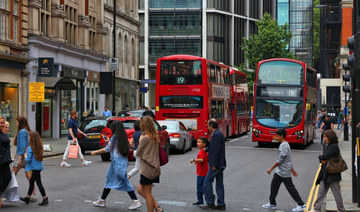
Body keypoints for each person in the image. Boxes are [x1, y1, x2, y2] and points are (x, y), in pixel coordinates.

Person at [90, 121, 142, 210]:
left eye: (111, 128)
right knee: (109, 181)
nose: (110, 129)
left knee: (124, 182)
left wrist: (95, 152)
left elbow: (107, 149)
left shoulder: (115, 137)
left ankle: (136, 201)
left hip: (117, 164)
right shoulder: (123, 136)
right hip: (119, 163)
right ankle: (102, 200)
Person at [262, 128, 306, 212]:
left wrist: (270, 169)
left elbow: (280, 160)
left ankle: (301, 204)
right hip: (280, 171)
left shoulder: (284, 145)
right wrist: (293, 170)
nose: (275, 137)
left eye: (277, 135)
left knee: (290, 188)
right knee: (274, 187)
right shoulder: (283, 144)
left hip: (284, 172)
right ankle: (272, 203)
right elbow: (288, 160)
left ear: (281, 136)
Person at [310, 130, 345, 212]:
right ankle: (316, 208)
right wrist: (322, 158)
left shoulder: (333, 147)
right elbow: (323, 158)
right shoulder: (328, 145)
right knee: (321, 193)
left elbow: (324, 157)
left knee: (337, 194)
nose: (324, 138)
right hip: (325, 173)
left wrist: (322, 158)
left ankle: (341, 209)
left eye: (325, 137)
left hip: (333, 174)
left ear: (330, 137)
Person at [136, 116, 162, 212]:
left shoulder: (144, 138)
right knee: (141, 190)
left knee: (147, 193)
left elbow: (138, 153)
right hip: (155, 167)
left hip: (147, 168)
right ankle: (157, 208)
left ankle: (152, 210)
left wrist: (139, 141)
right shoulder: (155, 136)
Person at [201, 120, 226, 210]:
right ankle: (221, 203)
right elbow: (214, 148)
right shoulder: (218, 133)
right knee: (219, 184)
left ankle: (210, 202)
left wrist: (213, 165)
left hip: (216, 164)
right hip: (221, 163)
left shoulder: (216, 135)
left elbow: (215, 151)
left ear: (211, 125)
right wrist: (207, 149)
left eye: (208, 125)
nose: (207, 127)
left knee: (206, 182)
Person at [20, 131, 48, 206]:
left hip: (34, 168)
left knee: (38, 183)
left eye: (29, 137)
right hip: (38, 167)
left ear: (31, 139)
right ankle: (27, 198)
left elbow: (28, 159)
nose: (28, 138)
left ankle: (45, 198)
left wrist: (25, 155)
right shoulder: (39, 146)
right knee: (32, 182)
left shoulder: (30, 148)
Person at [190, 137, 208, 206]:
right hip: (201, 172)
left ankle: (204, 201)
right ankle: (200, 200)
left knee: (201, 188)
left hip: (202, 173)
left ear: (204, 144)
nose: (198, 143)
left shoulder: (203, 151)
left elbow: (202, 160)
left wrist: (194, 160)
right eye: (197, 142)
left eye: (200, 142)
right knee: (200, 188)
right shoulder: (203, 150)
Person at [0, 116, 12, 208]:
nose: (2, 124)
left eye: (3, 122)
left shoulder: (3, 133)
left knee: (7, 178)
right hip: (1, 161)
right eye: (1, 122)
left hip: (6, 161)